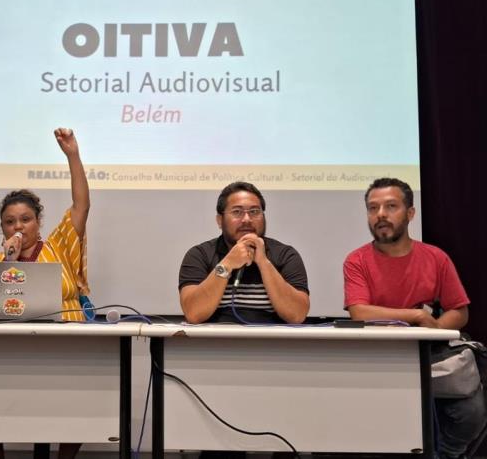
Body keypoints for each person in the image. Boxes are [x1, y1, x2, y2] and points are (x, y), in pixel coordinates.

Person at [344, 177, 486, 459]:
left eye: (391, 206)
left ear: (410, 213)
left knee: (471, 412)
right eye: (373, 208)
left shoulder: (436, 258)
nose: (380, 215)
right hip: (378, 355)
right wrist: (416, 316)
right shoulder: (356, 260)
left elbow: (459, 311)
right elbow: (360, 311)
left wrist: (435, 328)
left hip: (432, 355)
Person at [0, 127, 89, 459]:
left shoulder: (59, 247)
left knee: (83, 400)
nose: (18, 227)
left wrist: (72, 155)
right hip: (10, 354)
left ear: (38, 222)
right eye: (10, 222)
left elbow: (81, 206)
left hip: (67, 349)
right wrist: (10, 261)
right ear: (2, 228)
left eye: (25, 219)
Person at [179, 181, 310, 325]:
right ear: (220, 220)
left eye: (254, 212)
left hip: (270, 339)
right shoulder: (200, 255)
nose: (247, 219)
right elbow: (193, 313)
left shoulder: (285, 255)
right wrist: (227, 264)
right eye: (237, 212)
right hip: (216, 339)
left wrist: (264, 263)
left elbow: (297, 315)